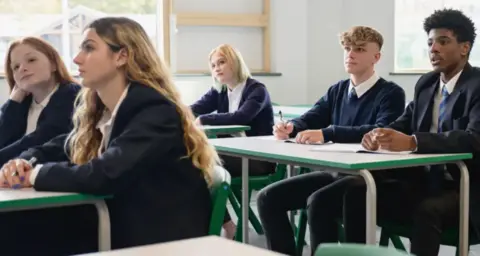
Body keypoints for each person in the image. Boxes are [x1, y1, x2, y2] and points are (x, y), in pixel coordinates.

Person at [0, 17, 220, 255]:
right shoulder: (102, 109)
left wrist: (33, 175)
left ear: (121, 56)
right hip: (116, 217)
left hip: (152, 234)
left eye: (89, 48)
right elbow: (64, 144)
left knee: (14, 228)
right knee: (11, 223)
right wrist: (26, 160)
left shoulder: (155, 110)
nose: (76, 58)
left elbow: (105, 173)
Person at [311, 9, 480, 256]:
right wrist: (380, 134)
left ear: (464, 48)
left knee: (427, 210)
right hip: (422, 180)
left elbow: (474, 138)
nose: (433, 49)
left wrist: (412, 142)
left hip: (462, 186)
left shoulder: (476, 86)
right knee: (356, 190)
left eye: (443, 42)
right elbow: (403, 122)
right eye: (430, 43)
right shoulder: (427, 83)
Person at [256, 26, 406, 255]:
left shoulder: (391, 93)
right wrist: (292, 127)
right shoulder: (337, 90)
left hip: (372, 176)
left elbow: (379, 131)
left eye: (359, 49)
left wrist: (328, 132)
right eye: (346, 49)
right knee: (268, 197)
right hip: (337, 171)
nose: (350, 54)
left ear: (376, 57)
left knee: (319, 202)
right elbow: (314, 116)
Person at [190, 44, 276, 239]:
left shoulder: (257, 90)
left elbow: (242, 117)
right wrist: (174, 114)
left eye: (222, 62)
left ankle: (223, 225)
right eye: (213, 65)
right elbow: (194, 108)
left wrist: (206, 119)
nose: (217, 68)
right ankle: (228, 224)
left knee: (200, 163)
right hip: (233, 155)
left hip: (258, 159)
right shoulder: (219, 91)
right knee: (194, 163)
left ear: (235, 63)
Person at [0, 37, 80, 165]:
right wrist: (13, 104)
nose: (22, 69)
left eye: (31, 60)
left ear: (53, 64)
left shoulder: (71, 94)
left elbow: (41, 139)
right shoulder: (22, 104)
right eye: (15, 67)